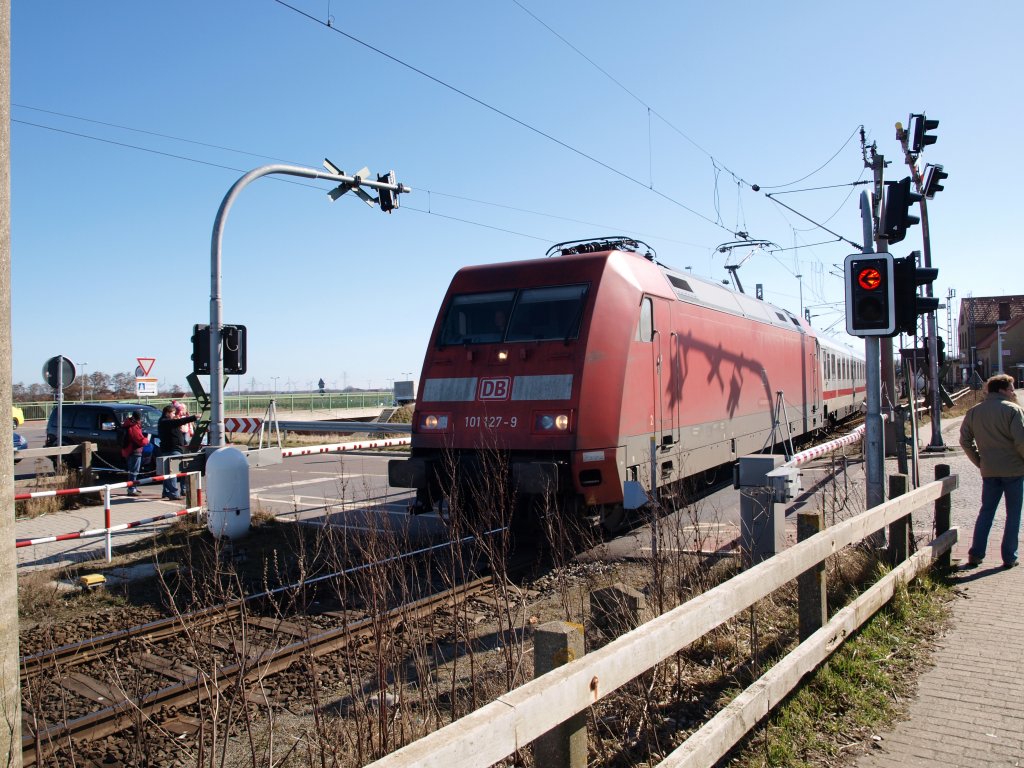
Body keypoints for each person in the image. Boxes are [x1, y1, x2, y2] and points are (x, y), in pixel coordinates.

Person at [959, 373, 1024, 569]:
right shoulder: (1013, 411)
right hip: (1014, 471)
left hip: (989, 471)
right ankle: (1009, 557)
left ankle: (976, 554)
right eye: (1012, 388)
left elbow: (964, 441)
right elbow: (1021, 442)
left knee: (986, 512)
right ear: (1003, 389)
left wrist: (979, 461)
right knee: (1013, 515)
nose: (1014, 392)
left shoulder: (974, 412)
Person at [158, 405, 198, 500]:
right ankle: (174, 493)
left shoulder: (166, 422)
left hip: (172, 449)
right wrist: (194, 417)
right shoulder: (165, 422)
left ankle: (166, 492)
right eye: (173, 413)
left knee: (168, 472)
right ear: (167, 413)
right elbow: (179, 422)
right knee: (173, 473)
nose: (174, 415)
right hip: (172, 450)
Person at [120, 411, 150, 496]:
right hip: (134, 451)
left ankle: (133, 487)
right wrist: (147, 440)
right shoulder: (133, 427)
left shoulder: (128, 424)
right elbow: (140, 440)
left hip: (129, 450)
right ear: (139, 418)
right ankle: (131, 489)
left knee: (132, 471)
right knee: (134, 471)